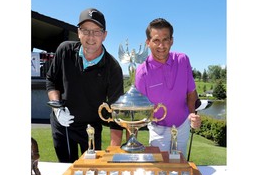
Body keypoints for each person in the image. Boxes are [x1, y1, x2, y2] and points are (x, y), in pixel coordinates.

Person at [46, 8, 125, 163]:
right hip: (63, 125)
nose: (90, 37)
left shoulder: (113, 68)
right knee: (66, 169)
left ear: (104, 35)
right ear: (79, 32)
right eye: (86, 30)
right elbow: (51, 80)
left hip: (91, 127)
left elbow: (117, 112)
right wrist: (56, 107)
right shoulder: (64, 50)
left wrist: (114, 151)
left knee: (91, 171)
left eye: (96, 31)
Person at [135, 18, 201, 157]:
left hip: (183, 126)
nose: (161, 45)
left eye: (165, 40)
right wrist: (132, 141)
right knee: (162, 171)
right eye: (156, 40)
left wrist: (192, 114)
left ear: (172, 41)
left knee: (179, 166)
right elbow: (139, 110)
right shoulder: (142, 73)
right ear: (148, 42)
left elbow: (191, 94)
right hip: (158, 130)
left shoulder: (183, 60)